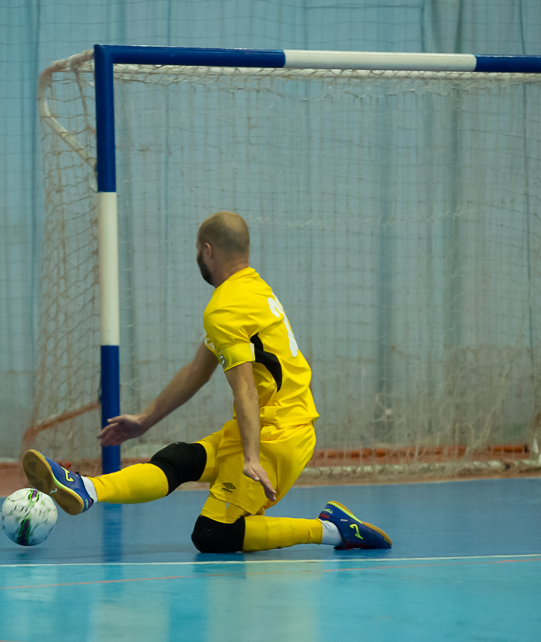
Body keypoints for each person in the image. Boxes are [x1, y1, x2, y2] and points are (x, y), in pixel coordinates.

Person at [23, 211, 391, 553]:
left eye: (197, 250)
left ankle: (333, 530)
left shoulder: (225, 307)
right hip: (273, 423)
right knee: (178, 459)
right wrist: (145, 420)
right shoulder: (252, 289)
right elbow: (197, 370)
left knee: (213, 534)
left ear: (208, 250)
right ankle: (86, 488)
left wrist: (251, 457)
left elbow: (244, 388)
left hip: (277, 436)